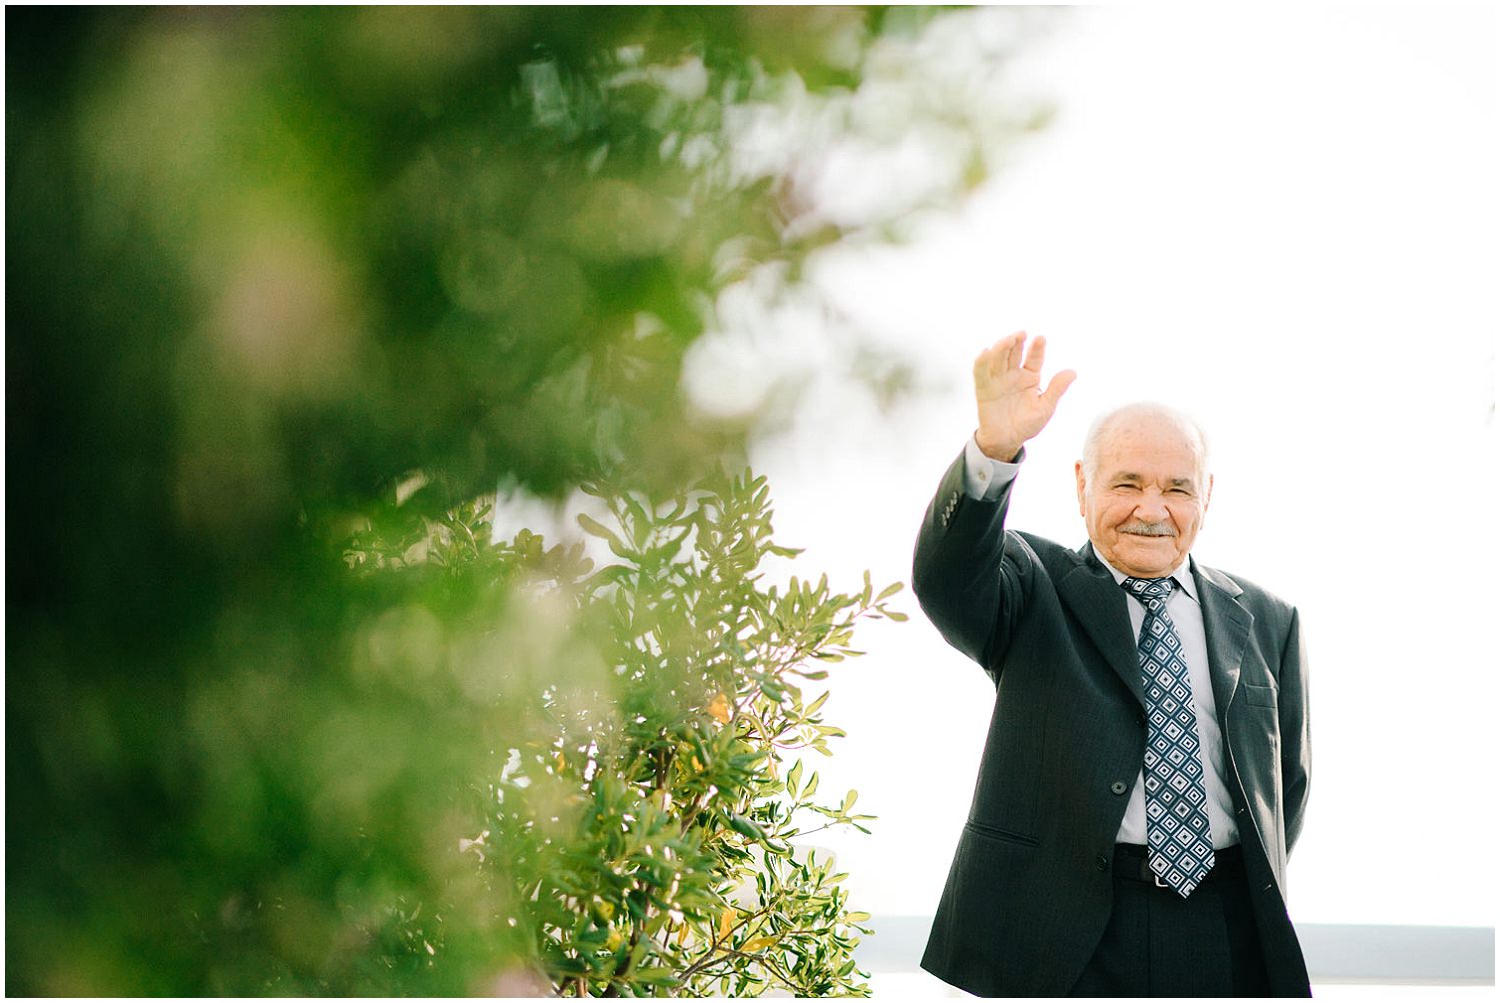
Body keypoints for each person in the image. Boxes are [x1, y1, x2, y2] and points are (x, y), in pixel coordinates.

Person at [913, 331, 1311, 997]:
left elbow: (1287, 787)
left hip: (1224, 925)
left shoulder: (1269, 618)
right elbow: (947, 578)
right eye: (1127, 482)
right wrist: (993, 450)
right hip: (1070, 930)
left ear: (1205, 496)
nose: (1151, 510)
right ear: (1082, 484)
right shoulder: (1031, 583)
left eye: (1176, 489)